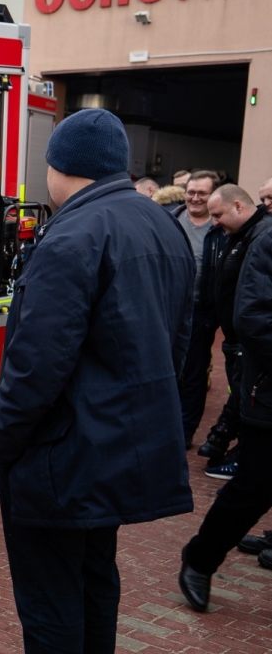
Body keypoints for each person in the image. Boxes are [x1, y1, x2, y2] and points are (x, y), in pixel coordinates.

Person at [0, 109, 194, 653]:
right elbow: (179, 338)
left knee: (50, 599)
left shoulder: (73, 234)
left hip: (61, 454)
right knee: (96, 577)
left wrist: (1, 437)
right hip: (117, 445)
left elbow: (37, 363)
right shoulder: (161, 225)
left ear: (62, 166)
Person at [179, 185, 272, 611]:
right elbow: (251, 317)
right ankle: (200, 560)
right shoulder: (265, 241)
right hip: (266, 391)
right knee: (255, 485)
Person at [196, 185, 271, 469]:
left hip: (248, 341)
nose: (214, 222)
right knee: (239, 394)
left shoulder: (262, 235)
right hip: (236, 338)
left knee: (248, 400)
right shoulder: (239, 234)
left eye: (218, 215)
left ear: (238, 206)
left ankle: (241, 457)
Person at [173, 171, 223, 447]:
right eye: (190, 192)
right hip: (170, 308)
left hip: (201, 311)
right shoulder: (172, 219)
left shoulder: (220, 227)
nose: (194, 198)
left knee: (193, 373)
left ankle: (184, 431)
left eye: (201, 193)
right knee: (167, 368)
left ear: (213, 195)